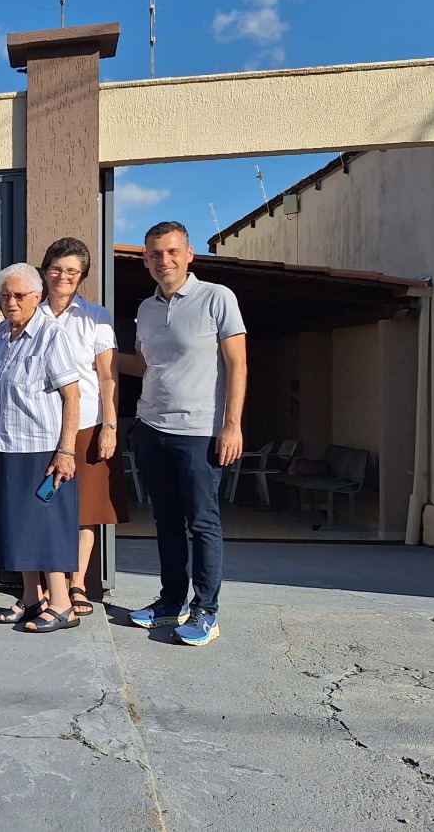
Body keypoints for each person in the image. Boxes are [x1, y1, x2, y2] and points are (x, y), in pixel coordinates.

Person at [117, 221, 247, 647]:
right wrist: (99, 355)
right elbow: (144, 364)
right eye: (155, 253)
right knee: (166, 522)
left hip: (200, 432)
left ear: (189, 254)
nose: (164, 260)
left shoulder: (218, 298)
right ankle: (171, 602)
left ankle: (206, 610)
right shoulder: (147, 308)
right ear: (145, 259)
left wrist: (232, 424)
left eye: (172, 252)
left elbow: (238, 365)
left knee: (203, 522)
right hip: (152, 428)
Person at [0, 263, 84, 633]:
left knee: (44, 525)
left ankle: (62, 604)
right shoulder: (1, 336)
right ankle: (31, 598)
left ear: (37, 296)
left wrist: (66, 451)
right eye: (5, 295)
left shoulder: (50, 335)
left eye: (19, 295)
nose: (11, 301)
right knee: (17, 526)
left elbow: (72, 397)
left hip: (41, 449)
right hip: (2, 447)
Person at [38, 238, 131, 620]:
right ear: (45, 271)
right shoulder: (30, 312)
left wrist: (110, 424)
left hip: (89, 422)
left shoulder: (97, 316)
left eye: (72, 271)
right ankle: (47, 583)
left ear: (82, 277)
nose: (63, 276)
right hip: (40, 426)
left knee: (85, 510)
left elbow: (107, 377)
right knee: (43, 505)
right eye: (57, 269)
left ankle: (76, 583)